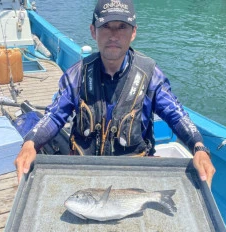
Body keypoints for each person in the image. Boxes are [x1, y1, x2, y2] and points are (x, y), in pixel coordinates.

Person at [15, 0, 215, 185]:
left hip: (134, 177)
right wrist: (30, 143)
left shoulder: (150, 75)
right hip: (85, 174)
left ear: (133, 32)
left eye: (122, 27)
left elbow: (176, 114)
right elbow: (54, 115)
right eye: (106, 27)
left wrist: (198, 147)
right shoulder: (76, 75)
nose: (113, 35)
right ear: (93, 31)